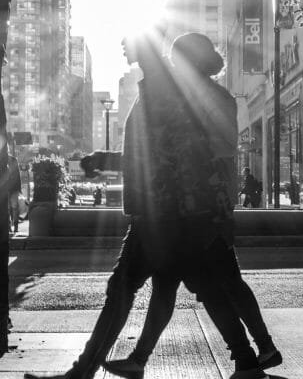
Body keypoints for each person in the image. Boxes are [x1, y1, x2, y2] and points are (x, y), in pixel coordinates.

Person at [29, 30, 272, 379]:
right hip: (179, 211)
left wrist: (119, 164)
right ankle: (245, 360)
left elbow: (170, 153)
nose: (125, 48)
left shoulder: (181, 95)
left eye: (132, 44)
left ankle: (85, 371)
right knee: (194, 286)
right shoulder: (177, 92)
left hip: (169, 212)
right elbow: (158, 151)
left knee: (133, 288)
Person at [103, 32, 280, 379]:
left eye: (176, 58)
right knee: (201, 285)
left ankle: (253, 353)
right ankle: (250, 357)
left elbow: (221, 147)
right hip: (188, 208)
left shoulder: (211, 98)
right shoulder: (185, 97)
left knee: (208, 285)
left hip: (199, 209)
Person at [7, 152, 22, 233]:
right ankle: (9, 226)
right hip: (5, 188)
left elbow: (17, 174)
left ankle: (15, 226)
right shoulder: (2, 160)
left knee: (14, 207)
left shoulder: (13, 159)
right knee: (9, 208)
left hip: (13, 188)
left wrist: (19, 188)